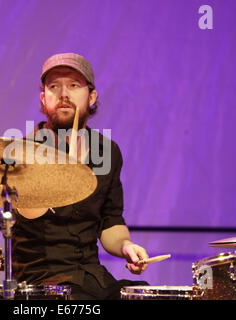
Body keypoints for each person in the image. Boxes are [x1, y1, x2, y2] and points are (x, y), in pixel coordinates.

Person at [12, 53, 149, 300]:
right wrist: (65, 170)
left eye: (74, 85)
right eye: (54, 86)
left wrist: (126, 247)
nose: (64, 93)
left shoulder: (107, 151)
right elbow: (29, 215)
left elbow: (110, 221)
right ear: (44, 99)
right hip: (42, 281)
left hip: (92, 276)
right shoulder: (24, 152)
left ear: (92, 96)